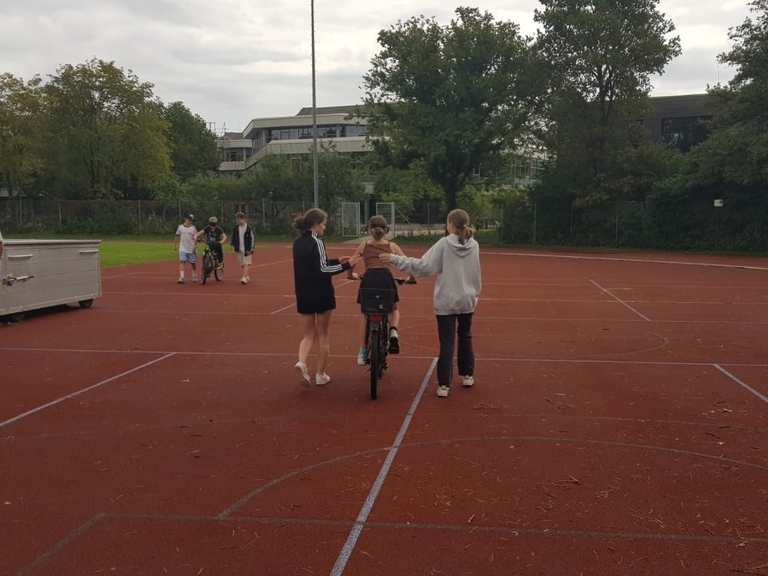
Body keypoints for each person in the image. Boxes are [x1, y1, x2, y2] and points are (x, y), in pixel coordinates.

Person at [380, 209, 481, 398]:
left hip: (447, 299)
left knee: (447, 341)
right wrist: (475, 294)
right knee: (465, 335)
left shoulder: (444, 243)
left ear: (450, 223)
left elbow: (425, 266)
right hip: (467, 298)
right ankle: (468, 374)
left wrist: (395, 259)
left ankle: (444, 384)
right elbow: (476, 273)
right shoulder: (474, 245)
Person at [292, 208, 362, 388]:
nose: (325, 226)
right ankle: (320, 374)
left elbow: (316, 264)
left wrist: (337, 260)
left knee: (308, 335)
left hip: (303, 293)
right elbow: (322, 270)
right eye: (323, 223)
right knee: (322, 334)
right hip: (321, 293)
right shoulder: (317, 242)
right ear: (316, 225)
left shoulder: (297, 243)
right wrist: (347, 265)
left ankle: (301, 362)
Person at [347, 215, 415, 365]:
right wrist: (411, 278)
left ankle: (362, 352)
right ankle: (393, 331)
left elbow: (352, 261)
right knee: (393, 309)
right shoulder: (392, 246)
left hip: (369, 279)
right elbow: (407, 263)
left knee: (366, 316)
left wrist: (350, 275)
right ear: (387, 230)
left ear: (368, 230)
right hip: (386, 280)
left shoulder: (364, 245)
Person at [230, 211, 255, 285]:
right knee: (242, 264)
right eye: (237, 220)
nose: (238, 221)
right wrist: (232, 244)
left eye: (239, 220)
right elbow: (233, 237)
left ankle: (244, 277)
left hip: (247, 248)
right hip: (239, 248)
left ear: (243, 219)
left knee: (246, 263)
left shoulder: (248, 228)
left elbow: (252, 239)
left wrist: (251, 249)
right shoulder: (236, 228)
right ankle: (247, 276)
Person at [173, 214, 198, 283]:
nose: (191, 221)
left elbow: (196, 238)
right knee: (182, 261)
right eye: (190, 220)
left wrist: (195, 247)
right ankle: (182, 277)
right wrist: (175, 245)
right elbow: (177, 236)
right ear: (186, 219)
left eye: (192, 220)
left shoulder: (193, 228)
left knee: (193, 263)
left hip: (191, 248)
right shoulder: (180, 227)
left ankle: (194, 274)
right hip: (183, 247)